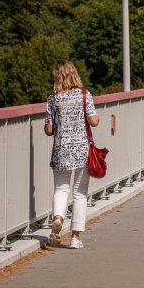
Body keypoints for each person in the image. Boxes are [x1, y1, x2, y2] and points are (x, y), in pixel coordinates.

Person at [44, 61, 100, 248]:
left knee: (61, 189)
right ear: (75, 75)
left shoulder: (53, 99)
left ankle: (58, 218)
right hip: (82, 150)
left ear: (58, 77)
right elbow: (94, 121)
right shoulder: (85, 95)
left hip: (61, 150)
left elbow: (49, 129)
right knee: (80, 193)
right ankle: (75, 238)